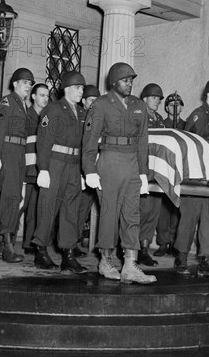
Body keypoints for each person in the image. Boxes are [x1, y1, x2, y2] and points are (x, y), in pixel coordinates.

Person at [82, 62, 156, 284]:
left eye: (131, 80)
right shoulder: (101, 105)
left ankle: (130, 265)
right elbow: (90, 139)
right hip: (110, 161)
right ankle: (105, 261)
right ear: (114, 82)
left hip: (132, 162)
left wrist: (144, 172)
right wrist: (89, 170)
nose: (129, 84)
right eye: (125, 80)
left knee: (132, 214)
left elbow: (143, 140)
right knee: (109, 213)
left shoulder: (139, 106)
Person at [32, 71, 88, 274]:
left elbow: (84, 144)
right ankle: (41, 250)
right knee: (48, 206)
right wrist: (43, 169)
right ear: (66, 88)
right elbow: (44, 140)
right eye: (77, 87)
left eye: (82, 88)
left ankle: (68, 254)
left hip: (74, 164)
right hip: (55, 163)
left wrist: (83, 171)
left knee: (70, 210)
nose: (81, 91)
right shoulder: (53, 109)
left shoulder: (82, 113)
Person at [173, 78, 209, 279]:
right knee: (189, 217)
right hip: (194, 176)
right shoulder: (198, 115)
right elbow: (186, 145)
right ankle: (181, 257)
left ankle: (205, 260)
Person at [0, 68, 34, 263]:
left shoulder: (23, 105)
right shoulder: (6, 102)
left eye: (30, 84)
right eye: (25, 83)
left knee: (14, 198)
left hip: (18, 154)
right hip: (7, 152)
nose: (28, 87)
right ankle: (8, 247)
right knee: (10, 198)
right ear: (15, 83)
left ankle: (0, 245)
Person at [19, 83, 50, 253]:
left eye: (47, 95)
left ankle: (29, 242)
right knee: (20, 204)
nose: (45, 99)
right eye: (41, 95)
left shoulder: (48, 116)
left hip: (42, 167)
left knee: (36, 207)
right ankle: (4, 241)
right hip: (27, 165)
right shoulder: (26, 114)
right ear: (33, 96)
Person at [137, 83, 166, 266]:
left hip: (157, 172)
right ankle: (132, 247)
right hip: (142, 170)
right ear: (145, 99)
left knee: (154, 211)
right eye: (154, 98)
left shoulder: (160, 119)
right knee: (142, 210)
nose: (157, 101)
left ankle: (145, 249)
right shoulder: (139, 116)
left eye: (158, 98)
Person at [155, 93, 184, 256]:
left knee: (177, 209)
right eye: (172, 104)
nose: (175, 107)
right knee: (164, 209)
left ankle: (174, 242)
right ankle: (163, 242)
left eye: (178, 104)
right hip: (164, 169)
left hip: (180, 171)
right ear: (166, 107)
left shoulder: (186, 125)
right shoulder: (161, 124)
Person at [75, 85, 101, 257]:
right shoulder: (78, 115)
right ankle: (69, 241)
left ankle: (75, 240)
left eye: (95, 101)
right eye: (90, 100)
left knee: (84, 207)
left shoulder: (99, 117)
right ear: (83, 101)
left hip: (93, 168)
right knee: (73, 206)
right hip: (77, 166)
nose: (93, 104)